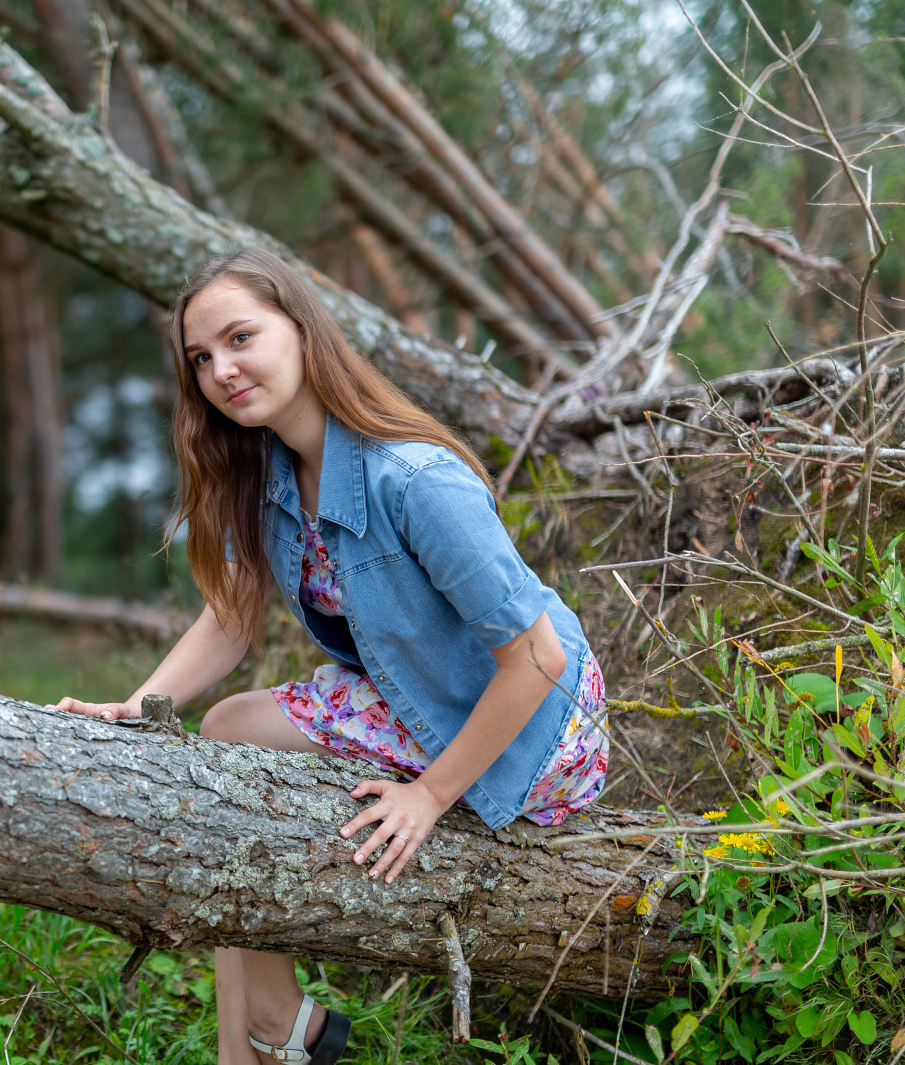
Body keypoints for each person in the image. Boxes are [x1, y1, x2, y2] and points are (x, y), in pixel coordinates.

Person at [50, 247, 608, 1065]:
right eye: (202, 358)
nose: (222, 371)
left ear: (303, 330)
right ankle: (262, 1041)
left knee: (234, 732)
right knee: (226, 726)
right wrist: (137, 706)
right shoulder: (273, 469)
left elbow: (538, 654)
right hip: (429, 688)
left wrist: (428, 796)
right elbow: (230, 619)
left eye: (241, 337)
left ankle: (275, 1034)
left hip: (538, 725)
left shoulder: (413, 479)